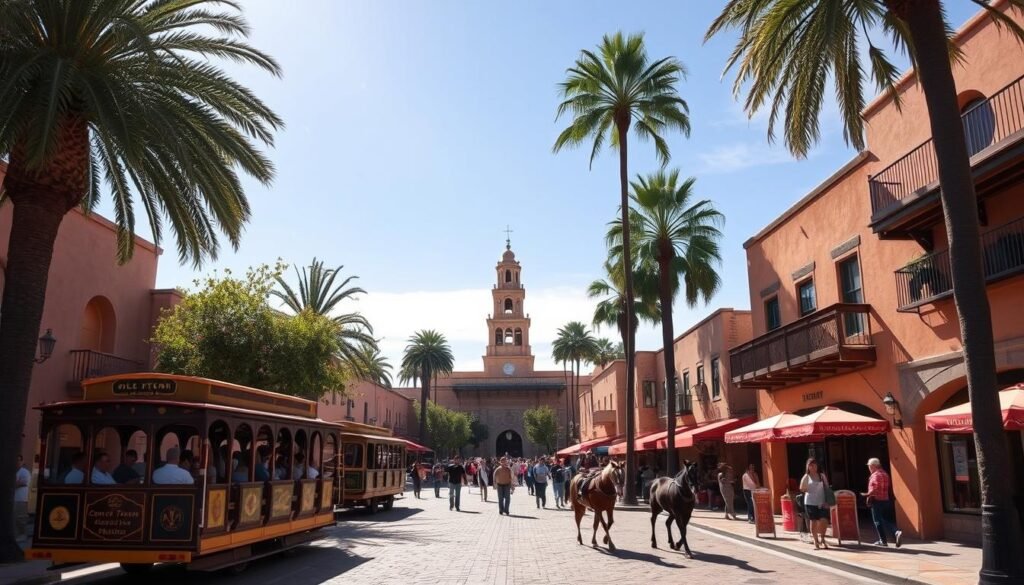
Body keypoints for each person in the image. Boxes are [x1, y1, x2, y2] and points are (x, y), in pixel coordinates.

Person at [862, 458, 902, 548]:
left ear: (873, 466)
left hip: (877, 500)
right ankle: (894, 532)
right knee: (884, 519)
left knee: (877, 521)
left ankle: (885, 539)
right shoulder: (885, 474)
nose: (869, 468)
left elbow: (875, 488)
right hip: (886, 499)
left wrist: (867, 494)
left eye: (869, 466)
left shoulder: (875, 475)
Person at [799, 458, 830, 550]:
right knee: (814, 521)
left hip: (822, 501)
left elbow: (827, 488)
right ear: (808, 467)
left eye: (815, 465)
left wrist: (827, 501)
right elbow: (802, 488)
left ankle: (823, 538)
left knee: (824, 520)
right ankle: (816, 540)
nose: (813, 467)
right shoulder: (806, 477)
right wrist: (808, 488)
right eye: (811, 465)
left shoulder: (821, 476)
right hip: (810, 502)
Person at [14, 455, 30, 543]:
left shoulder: (24, 472)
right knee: (14, 517)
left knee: (21, 517)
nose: (17, 462)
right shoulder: (13, 472)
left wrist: (14, 483)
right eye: (16, 460)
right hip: (13, 498)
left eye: (19, 460)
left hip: (21, 498)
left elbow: (22, 483)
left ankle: (23, 534)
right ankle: (17, 534)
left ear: (22, 461)